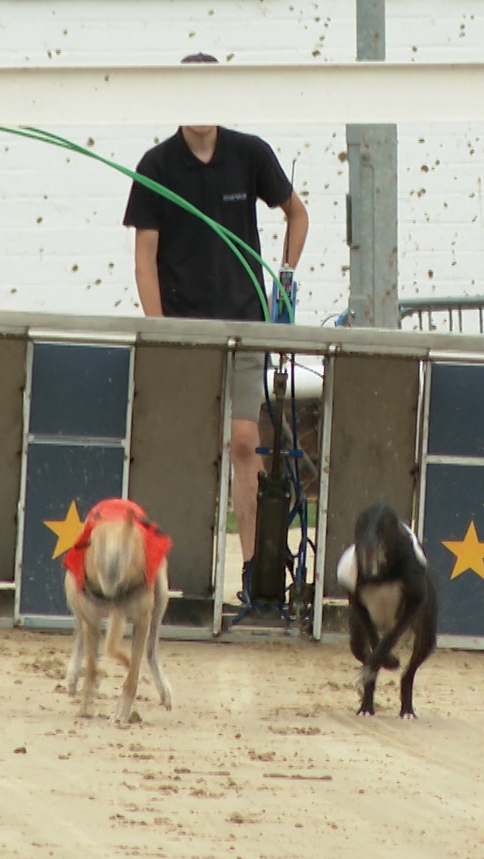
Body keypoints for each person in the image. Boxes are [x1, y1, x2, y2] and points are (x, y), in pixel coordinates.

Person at [124, 52, 310, 604]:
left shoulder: (249, 154)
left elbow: (296, 213)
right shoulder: (156, 166)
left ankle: (254, 572)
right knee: (185, 446)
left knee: (244, 440)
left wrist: (285, 278)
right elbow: (145, 254)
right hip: (184, 330)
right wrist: (159, 331)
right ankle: (176, 575)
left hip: (245, 323)